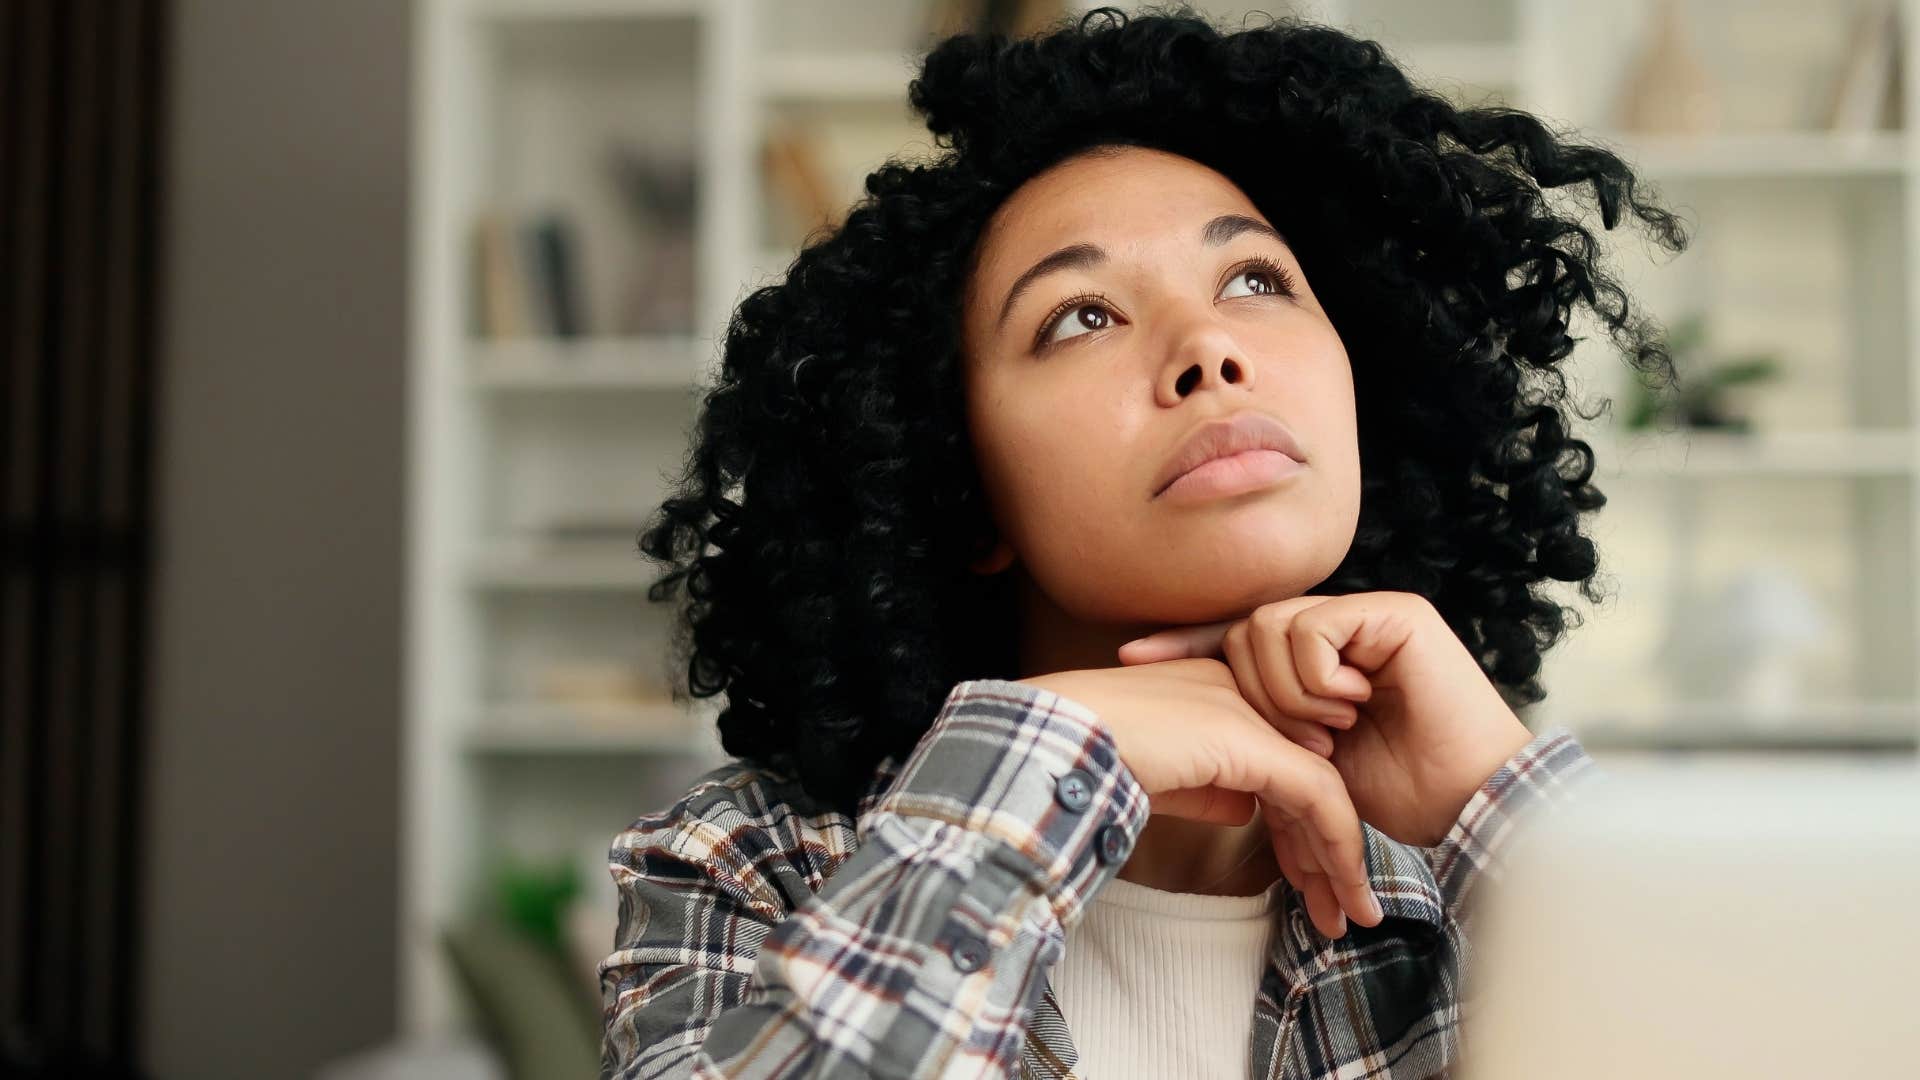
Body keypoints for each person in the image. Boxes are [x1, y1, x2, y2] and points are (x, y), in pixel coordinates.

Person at [600, 6, 1684, 1078]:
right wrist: (1040, 772)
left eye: (1257, 282)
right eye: (1082, 316)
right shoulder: (752, 868)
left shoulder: (1474, 880)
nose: (1208, 347)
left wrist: (1506, 813)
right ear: (961, 487)